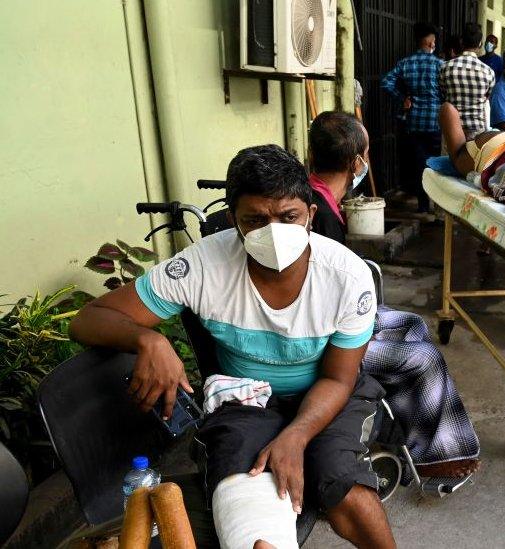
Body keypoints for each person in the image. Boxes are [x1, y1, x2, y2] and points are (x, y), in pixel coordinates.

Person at [69, 145, 396, 549]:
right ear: (233, 221)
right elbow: (88, 319)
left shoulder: (348, 277)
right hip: (244, 396)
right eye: (255, 220)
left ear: (311, 214)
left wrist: (296, 437)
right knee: (248, 494)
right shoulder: (203, 266)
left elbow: (337, 376)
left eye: (288, 216)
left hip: (329, 393)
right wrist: (147, 338)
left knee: (341, 482)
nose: (272, 231)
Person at [307, 112, 482, 477]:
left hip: (333, 320)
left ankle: (409, 432)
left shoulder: (317, 198)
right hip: (322, 342)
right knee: (425, 358)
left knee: (412, 322)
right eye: (366, 154)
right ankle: (438, 456)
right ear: (357, 162)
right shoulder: (317, 214)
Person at [380, 22, 444, 213]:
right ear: (432, 42)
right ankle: (437, 206)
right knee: (436, 165)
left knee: (419, 164)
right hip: (435, 122)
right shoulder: (441, 65)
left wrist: (402, 99)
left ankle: (423, 207)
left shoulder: (405, 63)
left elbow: (386, 82)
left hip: (414, 121)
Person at [439, 22, 495, 140]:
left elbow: (443, 94)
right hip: (477, 132)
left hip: (451, 129)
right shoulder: (488, 71)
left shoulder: (445, 67)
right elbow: (486, 99)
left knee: (449, 159)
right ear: (480, 44)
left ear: (461, 42)